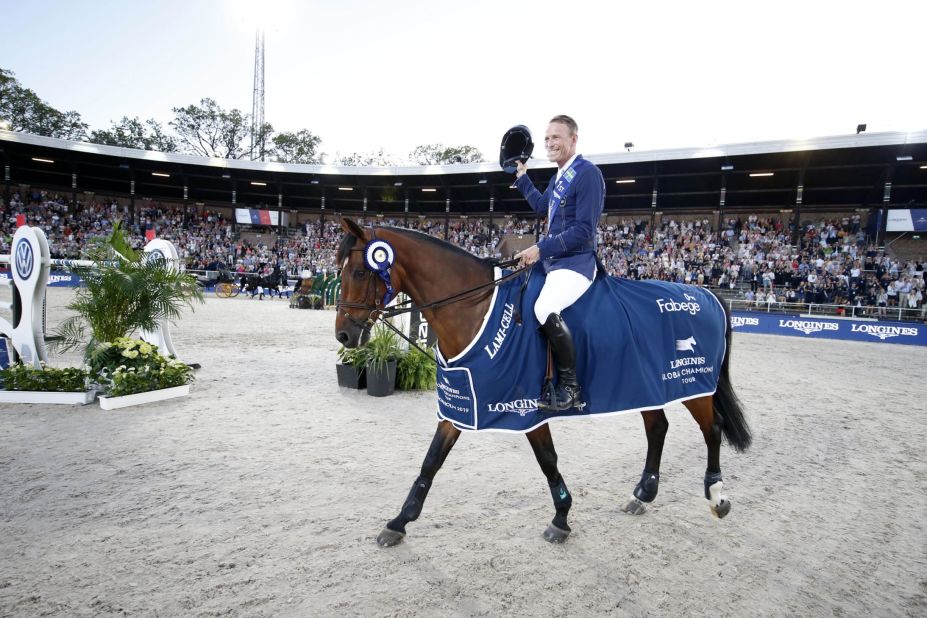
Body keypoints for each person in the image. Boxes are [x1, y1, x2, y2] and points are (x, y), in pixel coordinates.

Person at [512, 115, 605, 411]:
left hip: (576, 263)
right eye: (547, 138)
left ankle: (570, 387)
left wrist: (540, 248)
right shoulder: (558, 178)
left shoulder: (587, 173)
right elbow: (543, 206)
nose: (551, 143)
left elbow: (584, 230)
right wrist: (523, 177)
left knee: (543, 307)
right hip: (554, 262)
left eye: (557, 137)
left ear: (573, 139)